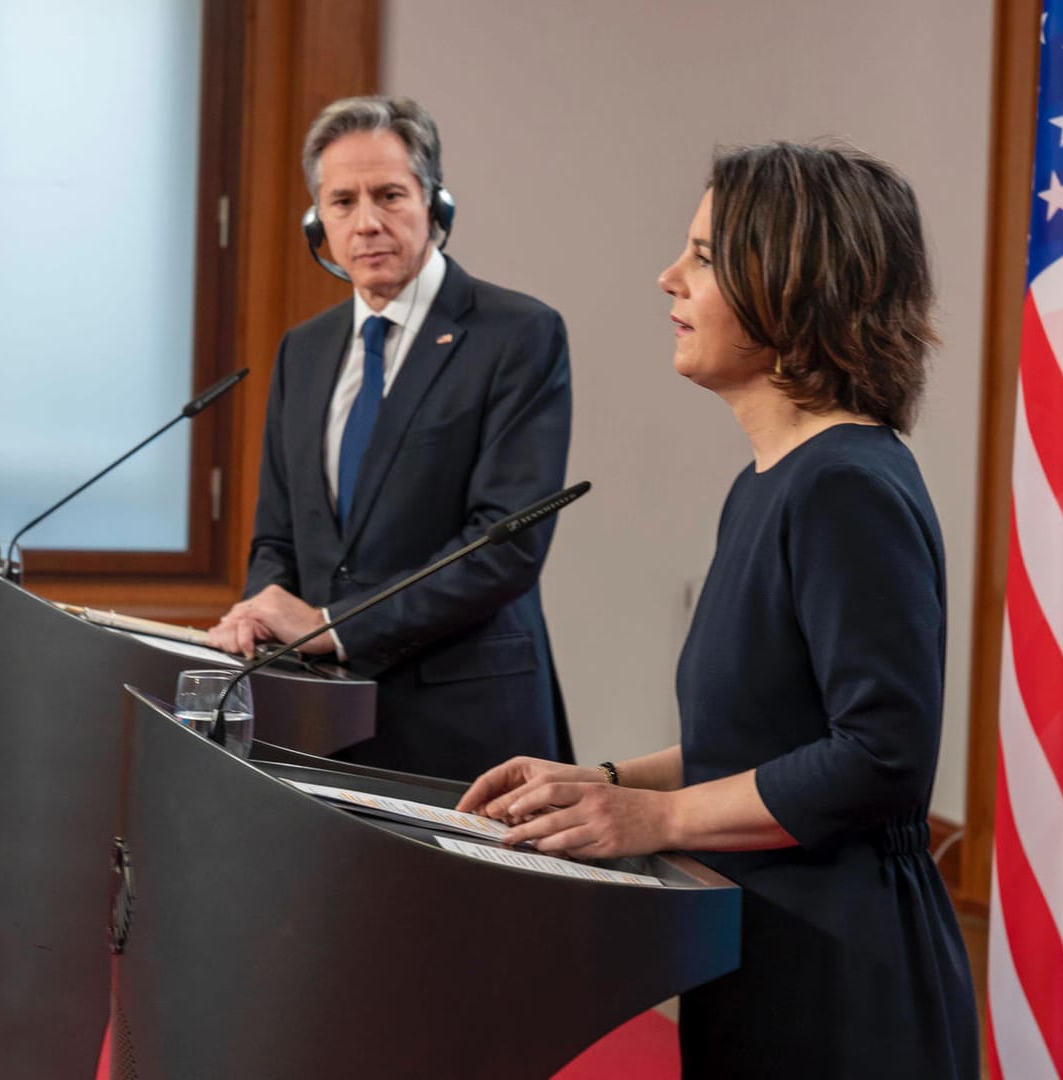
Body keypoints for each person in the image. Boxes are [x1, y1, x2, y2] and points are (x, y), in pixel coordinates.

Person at [456, 142, 977, 1077]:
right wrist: (604, 781)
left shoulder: (845, 485)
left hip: (844, 984)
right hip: (763, 943)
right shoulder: (768, 483)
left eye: (701, 256)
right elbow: (763, 738)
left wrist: (653, 822)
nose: (668, 278)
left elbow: (881, 759)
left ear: (791, 283)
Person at [207, 96, 572, 782]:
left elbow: (507, 542)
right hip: (319, 721)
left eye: (390, 194)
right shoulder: (304, 351)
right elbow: (279, 537)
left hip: (465, 724)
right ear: (318, 222)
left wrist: (333, 624)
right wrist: (261, 613)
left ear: (437, 205)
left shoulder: (517, 334)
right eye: (342, 201)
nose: (367, 221)